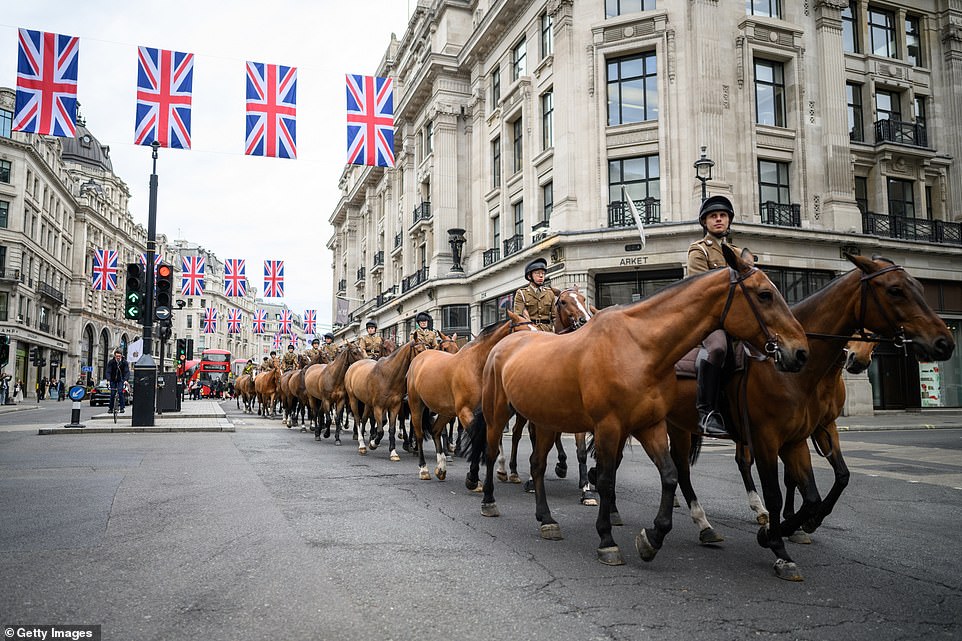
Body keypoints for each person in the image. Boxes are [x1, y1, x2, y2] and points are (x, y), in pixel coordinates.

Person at [687, 195, 743, 438]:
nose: (719, 219)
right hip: (712, 320)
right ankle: (706, 412)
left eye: (723, 215)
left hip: (740, 318)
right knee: (719, 348)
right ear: (705, 222)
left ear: (729, 221)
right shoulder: (699, 250)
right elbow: (701, 291)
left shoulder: (739, 253)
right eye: (713, 216)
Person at [513, 257, 556, 332]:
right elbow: (518, 317)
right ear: (529, 276)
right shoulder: (522, 293)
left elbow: (555, 317)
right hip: (529, 332)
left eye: (543, 273)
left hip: (548, 332)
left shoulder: (550, 293)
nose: (541, 276)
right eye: (537, 273)